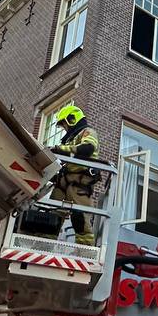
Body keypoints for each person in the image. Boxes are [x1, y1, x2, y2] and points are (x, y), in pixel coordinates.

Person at [48, 103, 101, 246]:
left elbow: (87, 148)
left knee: (80, 219)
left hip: (80, 183)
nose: (64, 128)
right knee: (51, 217)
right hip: (63, 182)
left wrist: (59, 149)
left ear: (72, 119)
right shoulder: (69, 139)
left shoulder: (87, 132)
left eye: (64, 124)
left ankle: (85, 252)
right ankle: (44, 244)